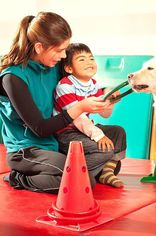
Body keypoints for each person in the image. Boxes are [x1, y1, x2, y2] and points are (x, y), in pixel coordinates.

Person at [0, 12, 125, 193]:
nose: (64, 55)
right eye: (59, 50)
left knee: (114, 140)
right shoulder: (13, 78)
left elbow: (80, 82)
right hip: (27, 151)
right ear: (39, 47)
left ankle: (75, 172)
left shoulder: (53, 66)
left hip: (56, 144)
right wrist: (80, 107)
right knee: (84, 182)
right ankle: (19, 178)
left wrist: (107, 94)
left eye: (65, 49)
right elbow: (40, 129)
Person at [53, 43, 126, 188]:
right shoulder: (65, 86)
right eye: (81, 59)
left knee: (118, 132)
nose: (89, 62)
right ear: (69, 68)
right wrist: (98, 136)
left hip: (84, 129)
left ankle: (106, 172)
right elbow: (77, 118)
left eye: (91, 58)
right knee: (104, 150)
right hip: (67, 133)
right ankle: (74, 175)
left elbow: (104, 113)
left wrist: (110, 99)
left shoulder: (93, 84)